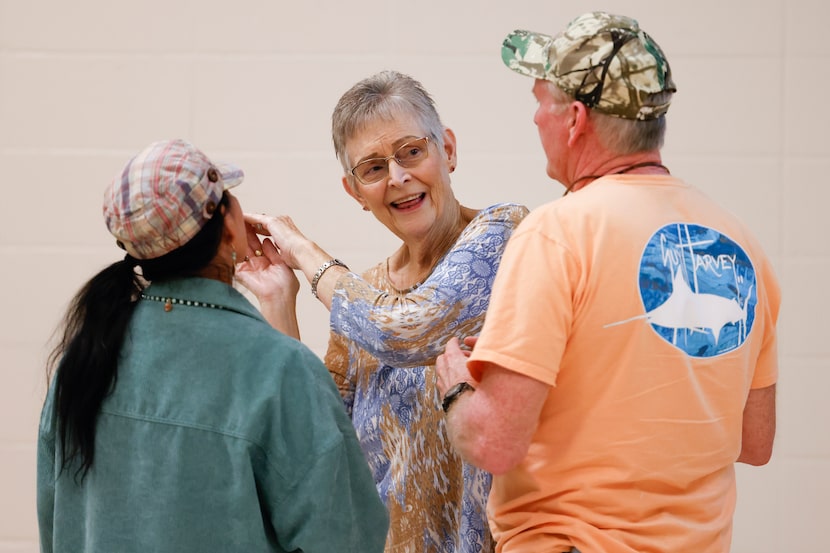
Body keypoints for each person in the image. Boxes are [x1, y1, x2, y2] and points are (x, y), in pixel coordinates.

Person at [435, 12, 781, 553]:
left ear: (574, 119)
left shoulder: (558, 232)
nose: (534, 119)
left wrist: (457, 382)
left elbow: (493, 443)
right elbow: (755, 441)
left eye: (539, 100)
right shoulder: (739, 247)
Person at [37, 139, 388, 553]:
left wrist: (277, 302)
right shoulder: (282, 371)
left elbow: (57, 524)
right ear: (228, 226)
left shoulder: (83, 362)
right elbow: (345, 539)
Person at [238, 70, 529, 553]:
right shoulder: (362, 297)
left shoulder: (505, 234)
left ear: (448, 151)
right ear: (355, 192)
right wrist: (277, 302)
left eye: (412, 151)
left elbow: (406, 328)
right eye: (372, 168)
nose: (397, 177)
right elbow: (317, 445)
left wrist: (301, 249)